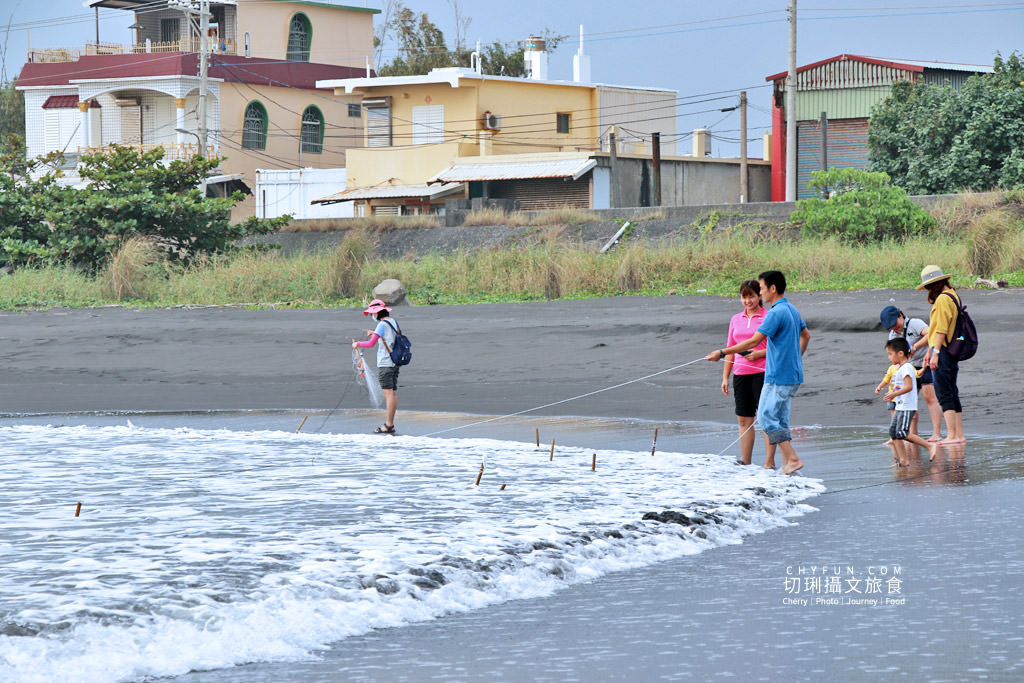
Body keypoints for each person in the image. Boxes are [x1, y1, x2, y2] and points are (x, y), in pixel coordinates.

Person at [706, 270, 810, 474]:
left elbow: (754, 341)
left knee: (765, 417)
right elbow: (806, 336)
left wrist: (721, 352)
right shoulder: (791, 309)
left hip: (777, 375)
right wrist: (796, 358)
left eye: (761, 289)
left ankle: (792, 459)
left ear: (773, 288)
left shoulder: (775, 312)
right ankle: (789, 463)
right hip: (790, 374)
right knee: (779, 418)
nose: (760, 293)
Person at [720, 280, 770, 466]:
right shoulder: (735, 319)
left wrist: (758, 353)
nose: (748, 300)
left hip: (763, 372)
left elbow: (778, 346)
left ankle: (769, 463)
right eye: (744, 296)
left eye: (751, 296)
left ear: (759, 296)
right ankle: (746, 463)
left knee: (765, 418)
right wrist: (725, 376)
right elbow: (730, 349)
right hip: (740, 374)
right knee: (744, 418)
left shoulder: (768, 317)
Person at [917, 265, 965, 444]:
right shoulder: (953, 295)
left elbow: (941, 329)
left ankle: (953, 435)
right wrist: (930, 351)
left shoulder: (943, 299)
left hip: (943, 350)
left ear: (934, 285)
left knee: (944, 392)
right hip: (950, 350)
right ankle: (958, 434)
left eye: (928, 287)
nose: (928, 291)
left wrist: (935, 352)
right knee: (952, 391)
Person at [880, 305, 943, 441]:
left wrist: (915, 346)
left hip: (925, 364)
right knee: (909, 403)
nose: (894, 328)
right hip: (909, 369)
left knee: (930, 398)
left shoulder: (914, 323)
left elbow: (931, 334)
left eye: (894, 324)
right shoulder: (893, 334)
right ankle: (913, 435)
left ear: (900, 316)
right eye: (890, 327)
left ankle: (936, 434)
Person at [881, 337, 939, 465]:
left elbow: (909, 386)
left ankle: (929, 446)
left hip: (907, 406)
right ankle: (903, 460)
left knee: (902, 432)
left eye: (890, 354)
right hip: (900, 406)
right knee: (893, 432)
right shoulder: (900, 368)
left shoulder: (906, 367)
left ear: (900, 353)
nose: (889, 358)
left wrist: (893, 394)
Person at [352, 299, 400, 435]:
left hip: (385, 363)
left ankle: (389, 425)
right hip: (394, 362)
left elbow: (370, 344)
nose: (372, 316)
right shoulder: (393, 322)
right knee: (393, 393)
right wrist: (374, 333)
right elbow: (389, 338)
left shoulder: (382, 324)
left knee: (388, 394)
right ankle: (390, 423)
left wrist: (357, 344)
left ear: (378, 313)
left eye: (373, 314)